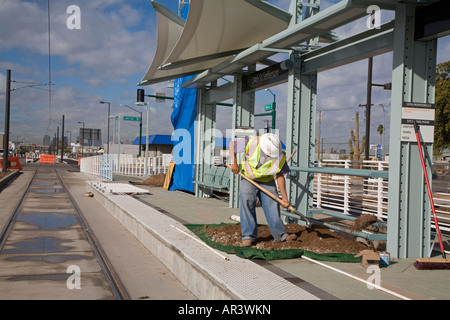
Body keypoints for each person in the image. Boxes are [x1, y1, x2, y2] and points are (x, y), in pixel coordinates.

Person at [229, 133, 297, 247]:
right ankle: (248, 236)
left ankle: (280, 235)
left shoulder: (280, 154)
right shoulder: (251, 142)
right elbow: (232, 145)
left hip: (267, 180)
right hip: (248, 178)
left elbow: (280, 176)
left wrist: (284, 197)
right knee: (246, 200)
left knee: (272, 204)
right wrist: (234, 163)